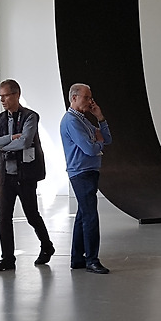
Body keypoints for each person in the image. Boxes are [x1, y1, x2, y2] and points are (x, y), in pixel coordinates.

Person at [0, 79, 54, 272]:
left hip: (25, 176)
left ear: (16, 95)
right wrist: (10, 138)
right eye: (0, 96)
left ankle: (47, 246)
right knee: (4, 218)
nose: (2, 100)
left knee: (31, 215)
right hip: (5, 176)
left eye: (6, 96)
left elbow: (25, 141)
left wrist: (3, 145)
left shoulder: (30, 116)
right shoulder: (0, 119)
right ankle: (7, 258)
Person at [60, 82, 113, 274]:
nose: (90, 101)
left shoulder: (82, 120)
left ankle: (77, 258)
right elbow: (90, 148)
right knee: (90, 215)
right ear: (74, 98)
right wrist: (98, 144)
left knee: (83, 214)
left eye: (90, 97)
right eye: (86, 97)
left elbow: (107, 139)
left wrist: (100, 118)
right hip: (80, 172)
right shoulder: (71, 121)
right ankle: (92, 259)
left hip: (89, 171)